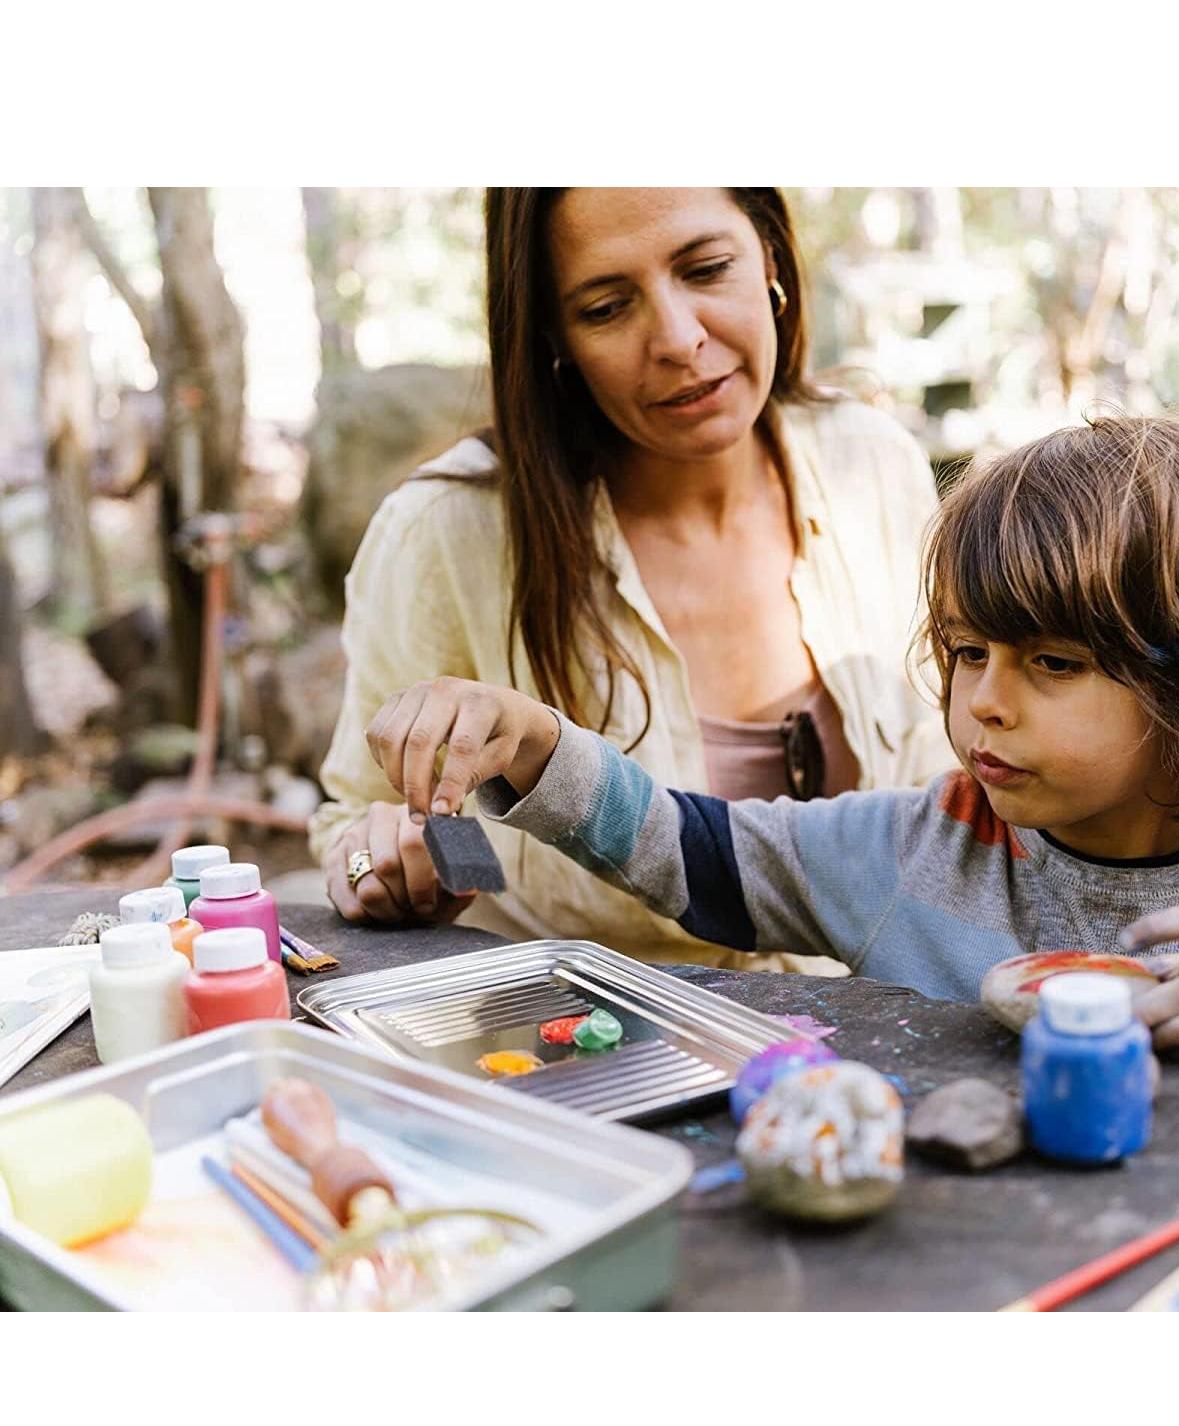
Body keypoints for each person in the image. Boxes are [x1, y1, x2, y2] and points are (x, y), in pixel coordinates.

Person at [364, 414, 1179, 1065]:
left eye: (1052, 664)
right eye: (964, 652)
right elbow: (699, 855)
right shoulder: (926, 846)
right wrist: (534, 744)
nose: (983, 703)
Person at [309, 188, 953, 968]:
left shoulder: (873, 465)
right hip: (586, 1058)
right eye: (608, 308)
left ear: (771, 256)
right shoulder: (447, 532)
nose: (679, 340)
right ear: (555, 337)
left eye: (708, 269)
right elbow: (363, 816)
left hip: (866, 1048)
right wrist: (388, 863)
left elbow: (951, 789)